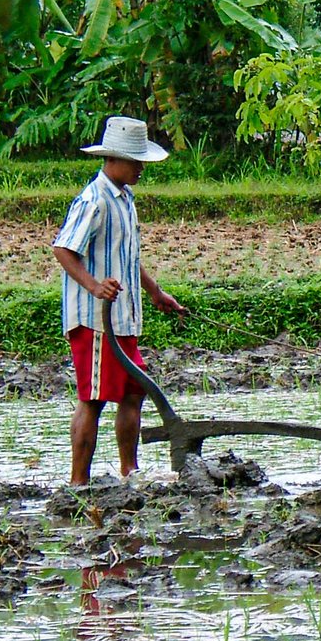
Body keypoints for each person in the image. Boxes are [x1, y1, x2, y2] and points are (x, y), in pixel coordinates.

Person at [52, 116, 186, 485]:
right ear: (113, 160)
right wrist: (94, 286)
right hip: (96, 320)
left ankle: (130, 471)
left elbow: (128, 258)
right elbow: (64, 249)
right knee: (93, 398)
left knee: (134, 390)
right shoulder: (93, 200)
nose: (141, 168)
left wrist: (156, 292)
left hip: (122, 318)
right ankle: (78, 483)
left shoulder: (124, 198)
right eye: (136, 161)